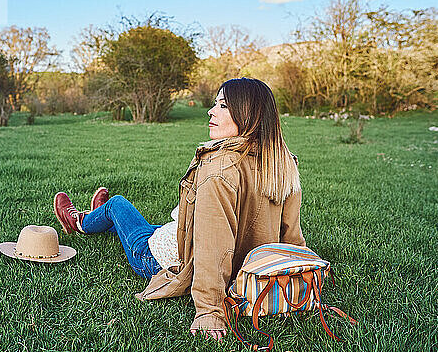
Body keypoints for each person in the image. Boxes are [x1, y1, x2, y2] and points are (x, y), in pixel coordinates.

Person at [54, 77, 306, 341]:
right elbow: (291, 237)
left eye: (222, 105)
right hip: (184, 237)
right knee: (131, 218)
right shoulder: (281, 163)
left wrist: (210, 310)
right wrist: (295, 276)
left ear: (247, 114)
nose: (211, 111)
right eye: (215, 104)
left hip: (160, 257)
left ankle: (80, 222)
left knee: (118, 204)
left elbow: (213, 245)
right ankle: (99, 216)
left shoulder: (218, 172)